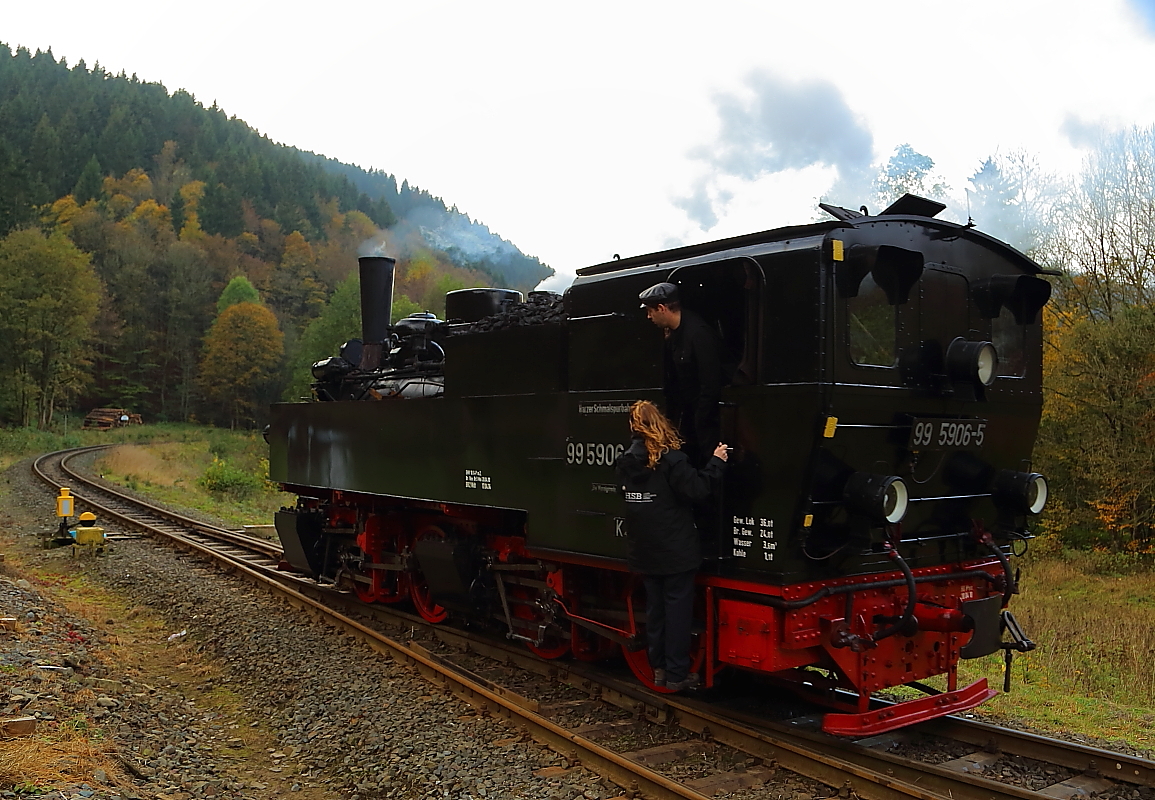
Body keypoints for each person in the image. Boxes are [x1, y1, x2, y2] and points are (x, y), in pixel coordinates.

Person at [614, 400, 728, 692]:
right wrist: (717, 461)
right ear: (659, 424)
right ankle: (678, 674)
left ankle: (660, 671)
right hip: (675, 549)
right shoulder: (672, 460)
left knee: (656, 612)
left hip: (644, 548)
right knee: (677, 613)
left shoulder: (625, 462)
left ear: (633, 428)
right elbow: (698, 489)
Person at [639, 282, 728, 466]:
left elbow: (710, 384)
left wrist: (700, 420)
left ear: (662, 308)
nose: (649, 317)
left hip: (705, 419)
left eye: (650, 311)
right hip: (687, 415)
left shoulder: (698, 335)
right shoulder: (673, 336)